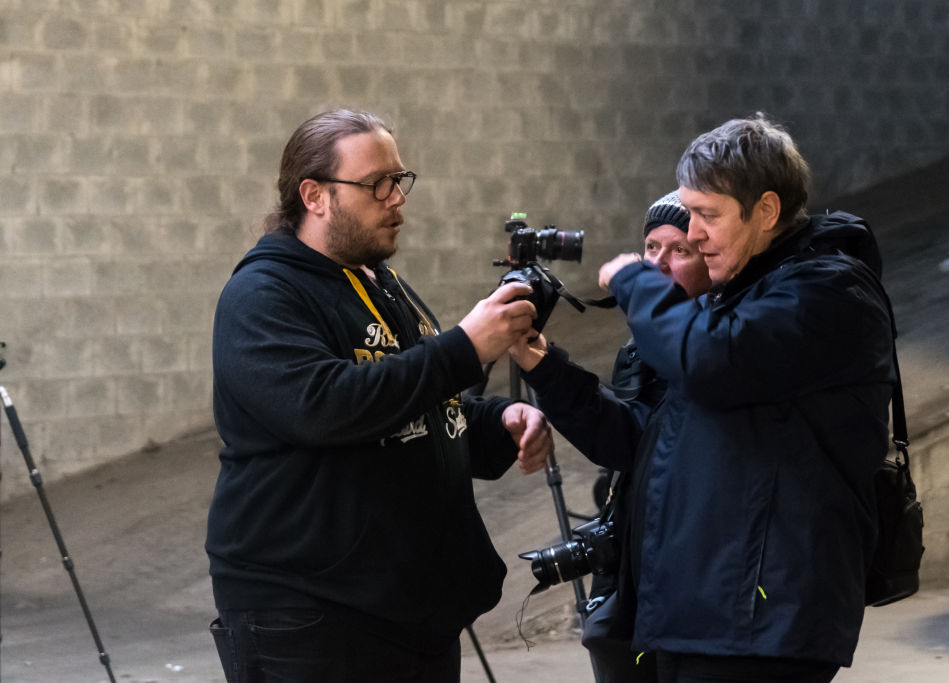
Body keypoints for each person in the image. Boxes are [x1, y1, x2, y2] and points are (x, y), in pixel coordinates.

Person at [520, 113, 896, 682]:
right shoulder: (739, 298)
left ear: (766, 210)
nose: (693, 233)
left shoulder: (827, 290)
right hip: (707, 615)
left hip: (757, 624)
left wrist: (636, 281)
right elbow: (642, 441)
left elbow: (712, 360)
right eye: (687, 214)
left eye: (706, 215)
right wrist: (543, 367)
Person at [205, 109, 554, 682]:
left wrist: (497, 425)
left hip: (405, 609)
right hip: (311, 613)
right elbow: (326, 406)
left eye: (399, 180)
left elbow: (410, 403)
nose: (397, 199)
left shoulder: (381, 283)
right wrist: (465, 347)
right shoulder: (263, 295)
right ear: (314, 196)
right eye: (376, 184)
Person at [510, 190, 711, 682]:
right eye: (651, 247)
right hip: (641, 583)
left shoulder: (718, 349)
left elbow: (642, 442)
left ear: (714, 259)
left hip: (693, 590)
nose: (658, 264)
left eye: (680, 250)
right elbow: (628, 440)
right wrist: (542, 364)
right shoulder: (642, 348)